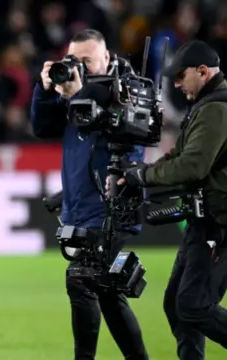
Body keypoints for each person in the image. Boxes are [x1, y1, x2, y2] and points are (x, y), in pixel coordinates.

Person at [30, 29, 149, 360]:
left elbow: (124, 130)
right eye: (73, 60)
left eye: (86, 61)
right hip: (80, 207)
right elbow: (41, 127)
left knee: (81, 279)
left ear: (106, 58)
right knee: (108, 291)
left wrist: (79, 92)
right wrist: (45, 89)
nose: (78, 67)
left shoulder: (130, 90)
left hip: (111, 207)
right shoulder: (72, 92)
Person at [112, 40, 227, 359]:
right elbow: (179, 156)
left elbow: (193, 165)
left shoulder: (217, 108)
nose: (175, 84)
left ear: (203, 72)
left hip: (219, 226)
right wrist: (141, 171)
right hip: (204, 223)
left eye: (180, 76)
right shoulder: (206, 105)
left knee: (193, 307)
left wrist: (143, 176)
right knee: (178, 305)